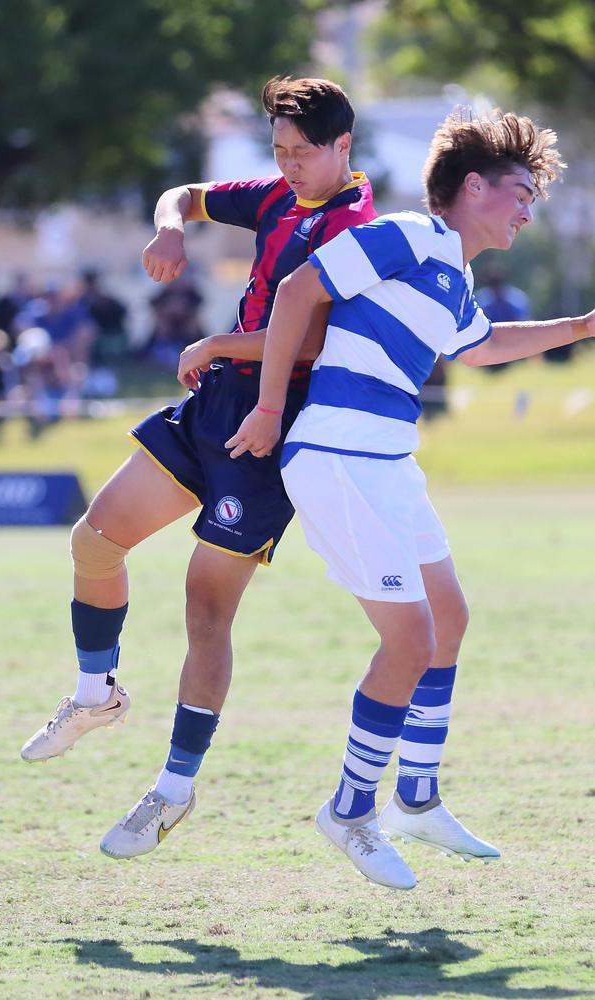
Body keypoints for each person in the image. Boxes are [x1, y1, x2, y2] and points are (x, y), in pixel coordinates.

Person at [227, 109, 594, 890]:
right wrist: (265, 407)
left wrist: (584, 325)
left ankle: (417, 799)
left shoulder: (453, 276)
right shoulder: (406, 234)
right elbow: (298, 290)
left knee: (449, 622)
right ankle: (350, 809)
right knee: (411, 642)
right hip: (336, 458)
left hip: (389, 462)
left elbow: (484, 344)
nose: (529, 210)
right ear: (471, 187)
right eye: (521, 192)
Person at [19, 77, 377, 859]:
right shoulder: (280, 197)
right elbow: (183, 193)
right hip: (212, 406)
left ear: (343, 146)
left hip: (268, 432)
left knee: (205, 609)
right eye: (277, 150)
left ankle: (173, 790)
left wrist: (216, 344)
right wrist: (168, 230)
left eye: (301, 153)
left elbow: (312, 344)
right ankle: (94, 693)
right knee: (94, 540)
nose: (287, 166)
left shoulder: (357, 226)